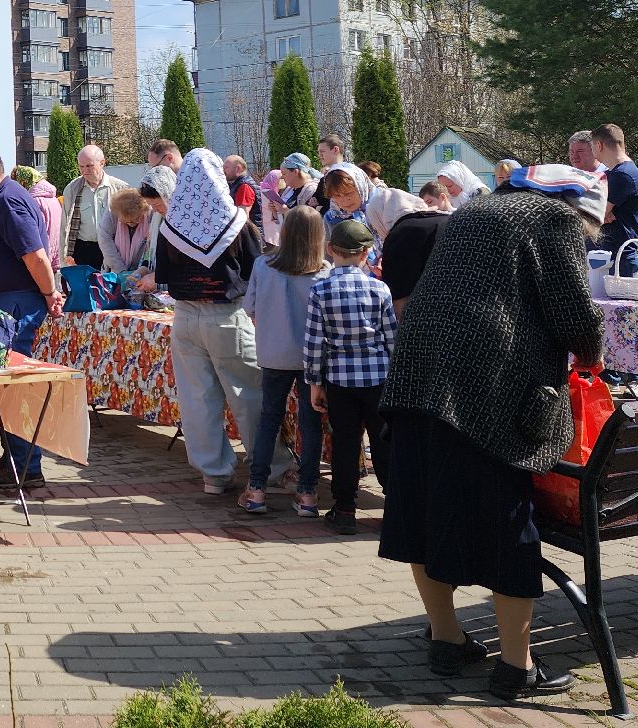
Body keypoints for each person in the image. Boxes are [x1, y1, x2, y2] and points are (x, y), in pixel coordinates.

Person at [378, 165, 606, 701]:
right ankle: (515, 667)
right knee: (507, 517)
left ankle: (447, 638)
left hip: (416, 374)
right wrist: (594, 354)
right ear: (580, 207)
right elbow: (574, 312)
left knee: (421, 505)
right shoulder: (554, 220)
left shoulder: (472, 210)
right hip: (486, 385)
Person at [139, 149, 288, 494]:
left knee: (197, 399)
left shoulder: (171, 226)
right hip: (227, 315)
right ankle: (273, 467)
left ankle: (214, 475)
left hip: (186, 318)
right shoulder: (236, 223)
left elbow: (163, 274)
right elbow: (259, 271)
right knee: (248, 394)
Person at [0, 142, 65, 490]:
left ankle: (25, 466)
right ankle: (16, 459)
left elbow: (35, 256)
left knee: (12, 389)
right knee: (5, 389)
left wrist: (50, 293)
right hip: (7, 306)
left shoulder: (8, 200)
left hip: (16, 308)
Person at [301, 218, 396, 535]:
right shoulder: (379, 288)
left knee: (345, 443)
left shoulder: (320, 290)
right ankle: (395, 508)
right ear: (367, 252)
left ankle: (344, 510)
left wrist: (314, 383)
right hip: (378, 375)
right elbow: (391, 337)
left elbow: (314, 340)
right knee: (384, 442)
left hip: (339, 378)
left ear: (330, 250)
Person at [237, 206, 326, 517]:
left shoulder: (264, 266)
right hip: (312, 358)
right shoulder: (323, 270)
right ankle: (307, 494)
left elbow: (249, 307)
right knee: (311, 424)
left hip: (273, 353)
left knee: (269, 420)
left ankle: (257, 489)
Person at [590, 124, 638, 277]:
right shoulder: (616, 173)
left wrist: (599, 213)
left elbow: (595, 215)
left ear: (599, 145)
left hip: (619, 261)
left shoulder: (623, 174)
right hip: (609, 257)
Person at [63, 146, 128, 271]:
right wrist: (64, 259)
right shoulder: (72, 189)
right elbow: (64, 226)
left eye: (89, 166)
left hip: (113, 248)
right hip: (83, 250)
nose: (84, 171)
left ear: (102, 163)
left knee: (111, 288)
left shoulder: (120, 188)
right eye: (81, 167)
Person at [12, 166, 63, 264]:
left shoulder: (34, 202)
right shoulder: (53, 199)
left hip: (41, 260)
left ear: (23, 182)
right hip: (56, 258)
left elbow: (33, 234)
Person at [109, 188, 158, 280]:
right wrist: (122, 272)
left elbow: (150, 251)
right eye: (127, 221)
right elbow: (106, 244)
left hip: (143, 273)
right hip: (117, 271)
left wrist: (142, 271)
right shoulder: (112, 215)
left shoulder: (151, 217)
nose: (131, 223)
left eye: (136, 219)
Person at [225, 155, 263, 229]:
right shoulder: (238, 184)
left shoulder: (244, 186)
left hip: (248, 236)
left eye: (226, 167)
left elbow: (243, 216)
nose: (223, 170)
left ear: (237, 168)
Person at [256, 170, 285, 249]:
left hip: (263, 231)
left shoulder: (259, 190)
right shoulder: (270, 194)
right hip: (272, 232)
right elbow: (276, 219)